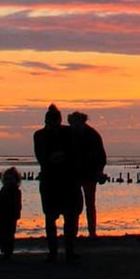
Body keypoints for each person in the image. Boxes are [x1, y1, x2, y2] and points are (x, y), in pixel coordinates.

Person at [33, 104, 81, 262]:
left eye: (56, 122)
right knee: (51, 217)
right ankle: (54, 252)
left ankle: (68, 251)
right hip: (51, 180)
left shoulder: (68, 133)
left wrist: (59, 157)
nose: (54, 125)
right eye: (52, 122)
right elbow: (42, 157)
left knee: (69, 217)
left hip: (66, 180)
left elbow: (74, 153)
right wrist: (56, 158)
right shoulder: (40, 135)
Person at [67, 111, 107, 239]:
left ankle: (92, 232)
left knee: (90, 204)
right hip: (75, 174)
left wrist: (99, 171)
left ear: (82, 122)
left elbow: (101, 157)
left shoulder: (93, 135)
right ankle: (73, 232)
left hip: (90, 174)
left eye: (76, 123)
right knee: (74, 205)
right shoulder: (69, 134)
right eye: (72, 124)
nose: (74, 126)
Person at [0, 166, 23, 259]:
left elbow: (18, 205)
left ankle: (7, 252)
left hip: (10, 216)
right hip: (1, 215)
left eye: (11, 179)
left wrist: (17, 214)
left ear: (16, 180)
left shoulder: (16, 192)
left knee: (8, 235)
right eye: (7, 179)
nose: (9, 181)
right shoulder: (3, 190)